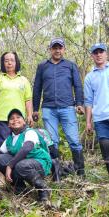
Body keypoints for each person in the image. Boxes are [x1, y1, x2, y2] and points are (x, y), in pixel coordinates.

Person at [33, 37, 85, 176]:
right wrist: (34, 109)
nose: (57, 50)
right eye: (54, 48)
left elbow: (78, 85)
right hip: (48, 109)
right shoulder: (42, 66)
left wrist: (79, 103)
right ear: (50, 49)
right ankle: (56, 174)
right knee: (52, 142)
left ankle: (81, 173)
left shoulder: (70, 65)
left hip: (67, 107)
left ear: (64, 49)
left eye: (60, 48)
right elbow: (37, 88)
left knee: (74, 140)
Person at [0, 109, 52, 201]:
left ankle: (43, 188)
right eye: (11, 119)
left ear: (23, 121)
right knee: (0, 158)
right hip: (23, 164)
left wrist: (10, 165)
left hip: (40, 163)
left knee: (21, 165)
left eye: (18, 117)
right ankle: (20, 188)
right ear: (8, 124)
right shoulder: (10, 139)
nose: (15, 120)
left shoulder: (29, 132)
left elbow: (27, 147)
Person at [0, 51, 34, 185]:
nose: (9, 62)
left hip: (19, 120)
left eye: (12, 60)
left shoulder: (23, 80)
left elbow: (28, 99)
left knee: (20, 146)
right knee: (3, 146)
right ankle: (1, 174)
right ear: (3, 63)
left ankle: (18, 174)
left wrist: (30, 115)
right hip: (2, 117)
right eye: (6, 60)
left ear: (16, 62)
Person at [84, 43, 109, 174]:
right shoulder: (89, 77)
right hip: (100, 119)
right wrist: (88, 122)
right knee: (106, 149)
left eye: (101, 52)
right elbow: (88, 101)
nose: (99, 54)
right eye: (96, 52)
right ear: (92, 56)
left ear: (106, 54)